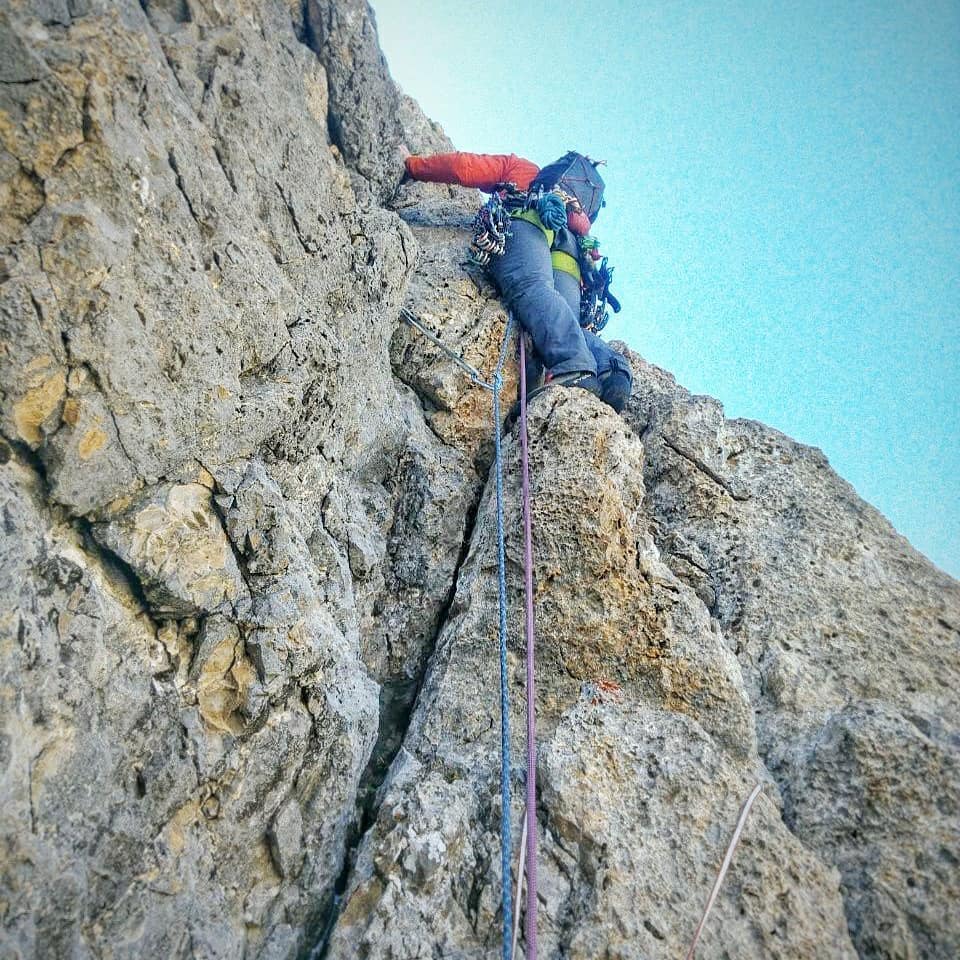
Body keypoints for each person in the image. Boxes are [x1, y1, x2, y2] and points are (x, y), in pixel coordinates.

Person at [401, 150, 633, 413]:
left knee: (531, 287)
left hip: (529, 221)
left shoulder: (523, 170)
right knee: (564, 314)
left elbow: (463, 167)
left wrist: (414, 165)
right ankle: (612, 370)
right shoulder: (576, 218)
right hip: (571, 256)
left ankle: (574, 365)